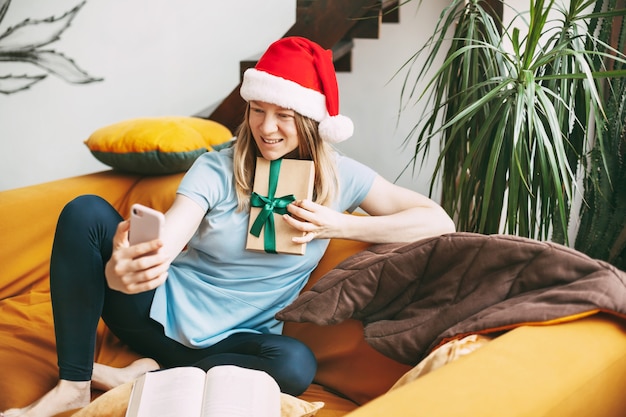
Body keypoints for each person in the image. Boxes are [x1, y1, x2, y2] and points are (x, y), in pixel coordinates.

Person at [3, 36, 455, 417]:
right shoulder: (215, 168)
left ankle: (147, 373)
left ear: (312, 121)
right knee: (84, 210)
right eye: (258, 111)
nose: (267, 128)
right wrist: (139, 262)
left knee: (296, 366)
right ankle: (74, 383)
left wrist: (338, 225)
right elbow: (175, 230)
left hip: (241, 342)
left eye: (284, 115)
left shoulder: (341, 177)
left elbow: (437, 221)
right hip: (156, 316)